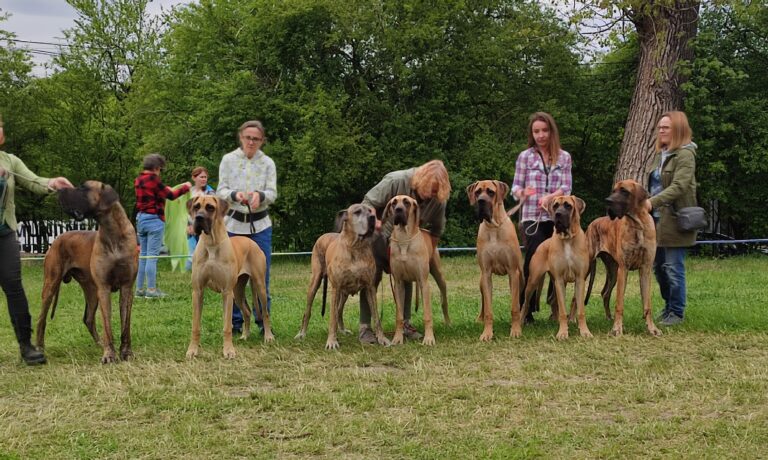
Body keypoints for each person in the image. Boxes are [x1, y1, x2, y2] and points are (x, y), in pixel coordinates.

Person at [0, 115, 74, 365]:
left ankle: (26, 347)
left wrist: (52, 183)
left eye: (0, 126)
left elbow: (34, 181)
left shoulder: (10, 160)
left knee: (14, 288)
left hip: (5, 233)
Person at [359, 159, 451, 344]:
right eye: (430, 189)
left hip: (409, 240)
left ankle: (405, 324)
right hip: (379, 235)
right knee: (372, 278)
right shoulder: (396, 180)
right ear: (421, 179)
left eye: (436, 192)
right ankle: (365, 327)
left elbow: (436, 231)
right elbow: (367, 202)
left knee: (406, 277)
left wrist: (426, 255)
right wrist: (375, 222)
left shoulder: (438, 199)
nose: (432, 195)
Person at [511, 112, 573, 323]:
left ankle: (555, 307)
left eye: (545, 130)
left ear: (551, 132)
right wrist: (523, 192)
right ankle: (525, 308)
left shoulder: (564, 157)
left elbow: (567, 187)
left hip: (558, 218)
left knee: (558, 261)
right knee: (533, 260)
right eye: (536, 131)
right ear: (532, 134)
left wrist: (551, 197)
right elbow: (515, 188)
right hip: (532, 217)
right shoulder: (525, 157)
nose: (541, 135)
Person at [217, 120, 277, 334]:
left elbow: (272, 193)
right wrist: (235, 195)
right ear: (241, 137)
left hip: (260, 227)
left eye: (256, 139)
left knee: (261, 279)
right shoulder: (228, 160)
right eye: (248, 138)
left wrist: (260, 196)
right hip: (233, 226)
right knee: (231, 279)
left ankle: (263, 323)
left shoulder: (268, 163)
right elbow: (220, 190)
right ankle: (235, 323)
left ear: (262, 141)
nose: (251, 142)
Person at [648, 111, 698, 326]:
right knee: (659, 268)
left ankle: (677, 312)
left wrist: (651, 202)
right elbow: (655, 185)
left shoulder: (685, 155)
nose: (661, 131)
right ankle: (668, 306)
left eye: (666, 127)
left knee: (673, 267)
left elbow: (679, 186)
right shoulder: (661, 154)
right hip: (656, 219)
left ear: (678, 130)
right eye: (660, 127)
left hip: (675, 219)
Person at [134, 153, 191, 298]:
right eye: (160, 169)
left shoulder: (138, 179)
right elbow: (171, 196)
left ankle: (139, 289)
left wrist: (166, 189)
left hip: (141, 219)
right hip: (154, 220)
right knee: (152, 256)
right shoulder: (154, 179)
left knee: (143, 256)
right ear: (156, 167)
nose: (160, 172)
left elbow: (155, 194)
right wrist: (186, 187)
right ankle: (151, 290)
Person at [184, 166, 215, 270]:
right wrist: (187, 226)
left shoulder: (211, 193)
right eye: (201, 177)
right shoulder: (189, 192)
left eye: (205, 177)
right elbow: (184, 212)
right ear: (194, 178)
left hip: (206, 229)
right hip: (191, 230)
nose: (204, 179)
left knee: (206, 257)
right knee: (190, 260)